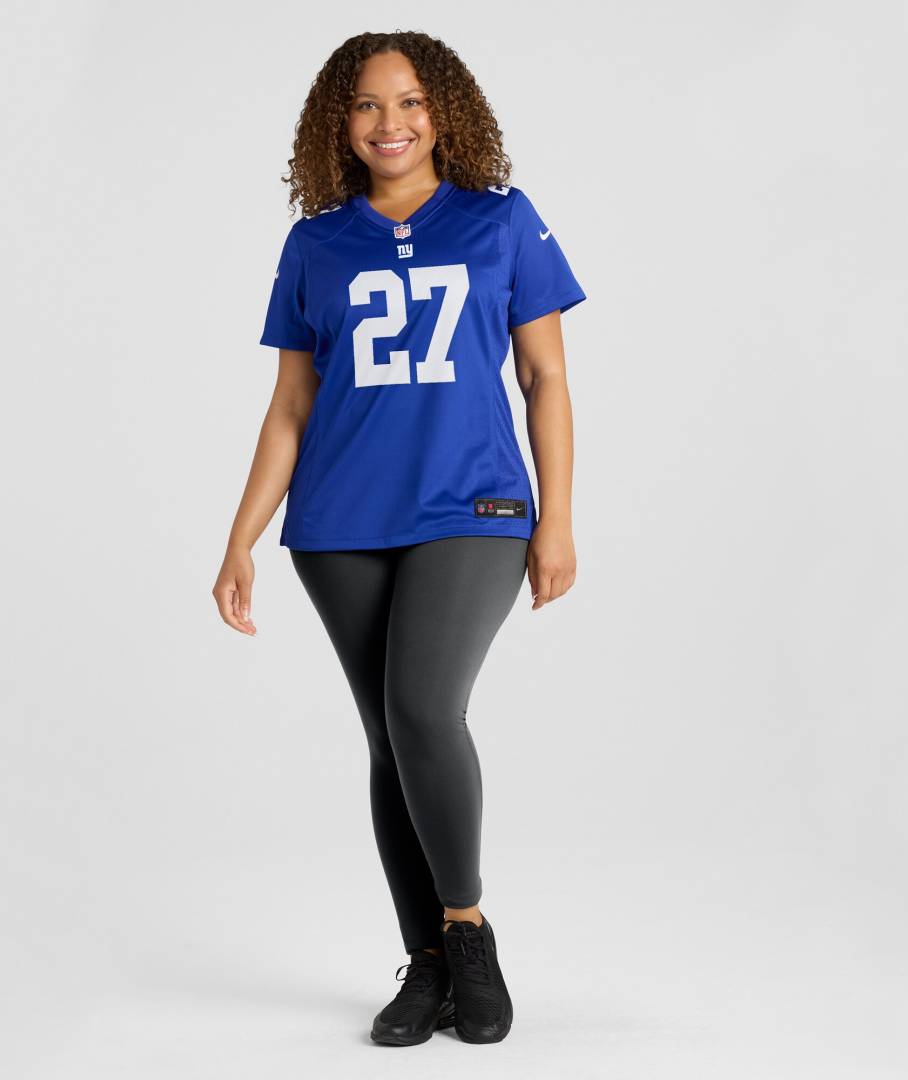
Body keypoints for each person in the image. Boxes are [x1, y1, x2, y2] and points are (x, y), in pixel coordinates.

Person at [212, 30, 586, 1046]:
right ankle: (425, 964)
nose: (391, 123)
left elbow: (545, 377)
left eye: (411, 101)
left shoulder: (501, 220)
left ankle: (466, 931)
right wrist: (242, 537)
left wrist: (558, 517)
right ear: (339, 123)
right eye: (369, 104)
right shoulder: (316, 244)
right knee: (391, 736)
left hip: (475, 508)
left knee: (423, 708)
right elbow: (291, 406)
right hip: (339, 522)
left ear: (445, 111)